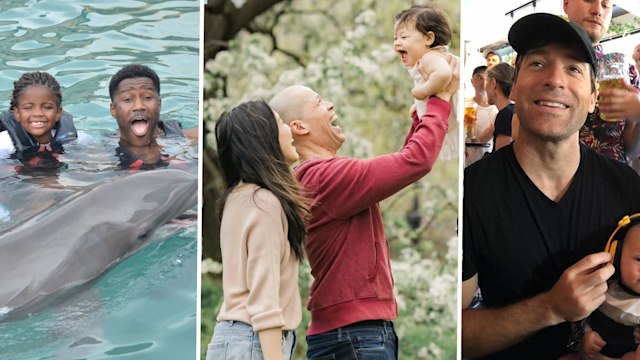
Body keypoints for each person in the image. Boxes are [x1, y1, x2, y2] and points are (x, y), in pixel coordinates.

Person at [462, 13, 640, 359]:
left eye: (574, 68)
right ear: (514, 88)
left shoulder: (627, 188)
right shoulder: (471, 192)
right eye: (538, 63)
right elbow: (455, 335)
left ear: (592, 99)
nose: (554, 79)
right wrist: (551, 308)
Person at [269, 57, 459, 358]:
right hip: (356, 336)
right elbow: (415, 162)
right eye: (319, 102)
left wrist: (422, 118)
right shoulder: (323, 177)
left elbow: (400, 165)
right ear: (299, 126)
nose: (330, 105)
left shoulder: (319, 178)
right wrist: (441, 100)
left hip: (349, 334)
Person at [205, 100, 310, 360]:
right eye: (281, 123)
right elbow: (264, 299)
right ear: (262, 138)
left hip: (236, 340)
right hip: (253, 342)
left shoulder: (237, 198)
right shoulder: (264, 203)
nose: (289, 130)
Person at [563, 0, 640, 163]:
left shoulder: (624, 70)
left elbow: (629, 151)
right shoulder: (546, 63)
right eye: (589, 0)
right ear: (566, 4)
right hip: (556, 178)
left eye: (606, 5)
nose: (597, 10)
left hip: (611, 179)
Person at [393, 4, 457, 160]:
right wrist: (420, 105)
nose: (397, 43)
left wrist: (423, 91)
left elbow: (443, 74)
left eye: (404, 37)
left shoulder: (430, 57)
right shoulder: (426, 59)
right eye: (395, 38)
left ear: (429, 38)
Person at [108, 64, 198, 169]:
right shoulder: (103, 155)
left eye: (147, 97)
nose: (139, 106)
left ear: (159, 103)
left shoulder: (188, 139)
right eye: (128, 99)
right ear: (113, 110)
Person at [580, 216, 640, 359]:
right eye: (639, 259)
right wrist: (584, 335)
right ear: (616, 255)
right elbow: (578, 315)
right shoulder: (602, 288)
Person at [0, 71, 77, 157]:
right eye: (28, 107)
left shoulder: (76, 140)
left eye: (47, 107)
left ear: (58, 113)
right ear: (17, 113)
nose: (38, 114)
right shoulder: (4, 145)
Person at [486, 63, 515, 152]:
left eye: (487, 82)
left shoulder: (505, 115)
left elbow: (502, 158)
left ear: (493, 83)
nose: (485, 87)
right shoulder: (514, 110)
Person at [471, 65, 499, 148]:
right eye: (479, 78)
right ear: (472, 81)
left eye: (486, 79)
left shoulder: (497, 109)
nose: (483, 82)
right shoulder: (465, 106)